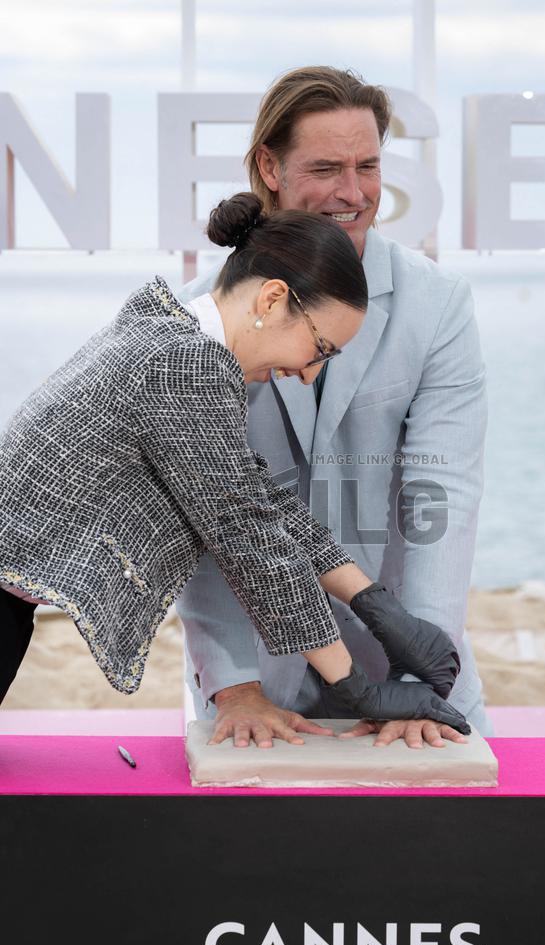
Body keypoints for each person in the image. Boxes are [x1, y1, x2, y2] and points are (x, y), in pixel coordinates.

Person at [0, 193, 470, 738]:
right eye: (320, 348)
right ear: (272, 299)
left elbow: (256, 497)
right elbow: (248, 540)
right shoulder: (187, 364)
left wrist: (376, 606)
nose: (309, 374)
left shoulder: (168, 334)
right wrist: (356, 687)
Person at [177, 66, 491, 749]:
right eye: (325, 168)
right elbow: (204, 519)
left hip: (404, 668)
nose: (353, 193)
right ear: (270, 166)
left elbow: (441, 494)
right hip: (254, 685)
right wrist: (234, 685)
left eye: (368, 166)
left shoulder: (438, 306)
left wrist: (421, 674)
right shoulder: (195, 320)